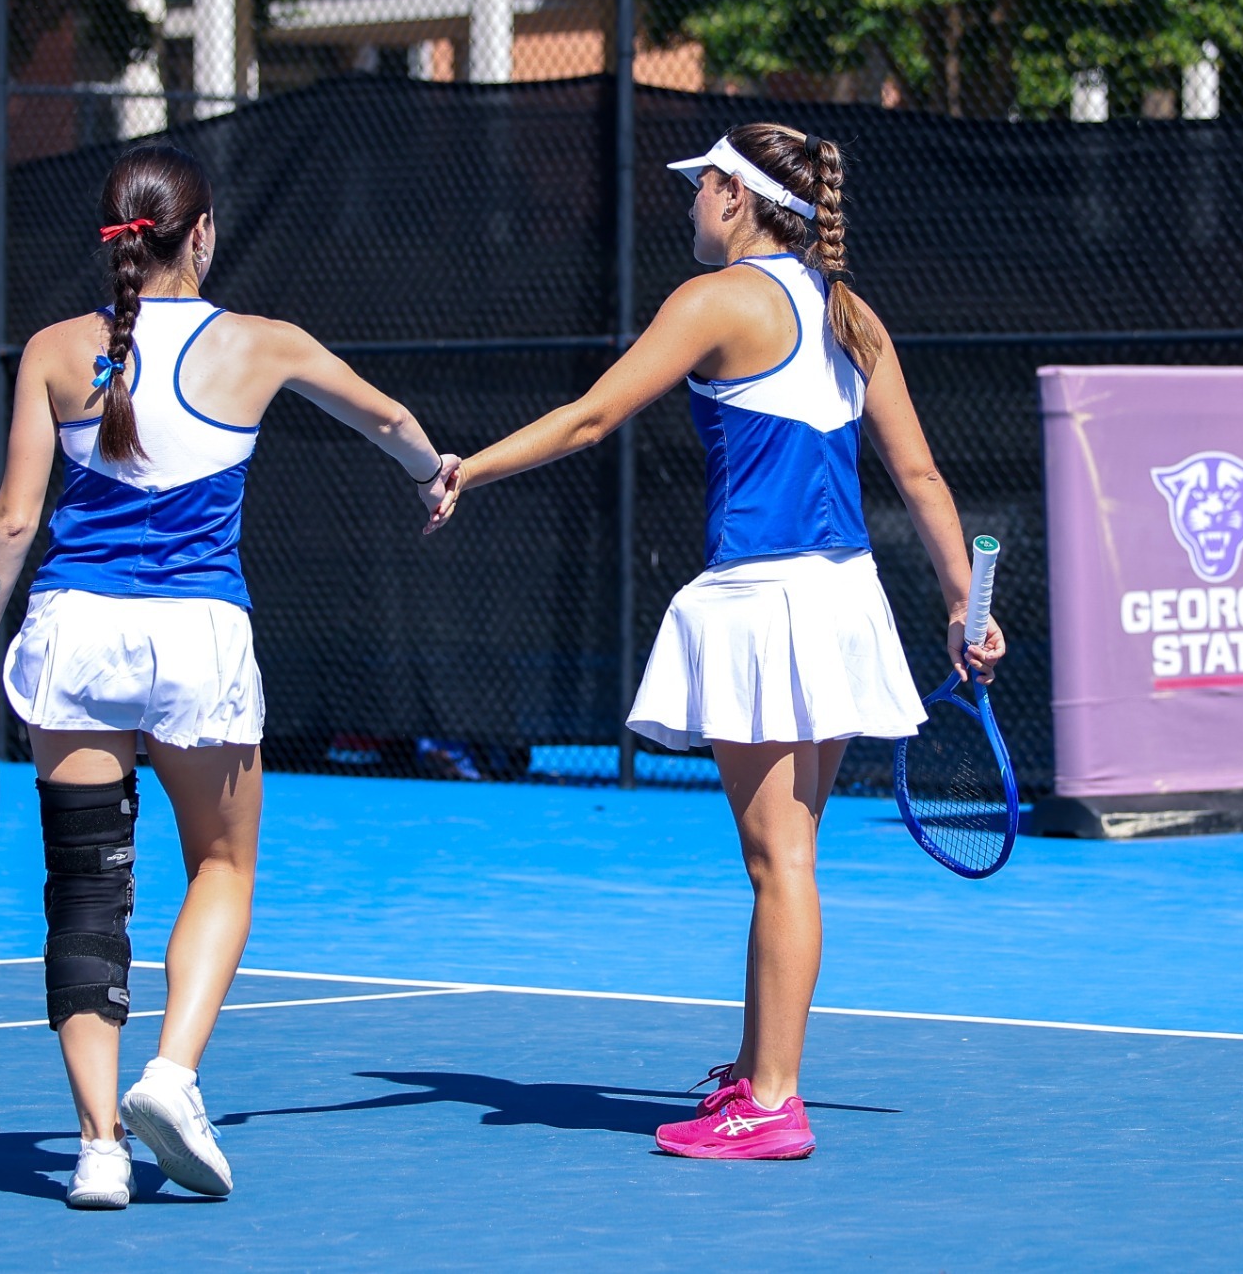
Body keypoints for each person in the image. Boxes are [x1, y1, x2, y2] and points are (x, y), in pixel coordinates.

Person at [426, 124, 1005, 1160]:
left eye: (700, 189)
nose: (688, 204)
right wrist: (965, 604)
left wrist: (471, 469)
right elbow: (919, 477)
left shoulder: (712, 302)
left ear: (736, 201)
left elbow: (590, 419)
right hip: (840, 599)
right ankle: (754, 1072)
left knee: (778, 858)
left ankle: (773, 1102)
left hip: (766, 599)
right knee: (786, 853)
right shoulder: (851, 313)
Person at [0, 143, 455, 1205]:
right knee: (220, 868)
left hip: (72, 638)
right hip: (197, 645)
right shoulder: (262, 344)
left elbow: (11, 521)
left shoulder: (50, 349)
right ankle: (169, 1077)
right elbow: (389, 422)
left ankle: (97, 1148)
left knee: (84, 898)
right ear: (205, 233)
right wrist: (431, 477)